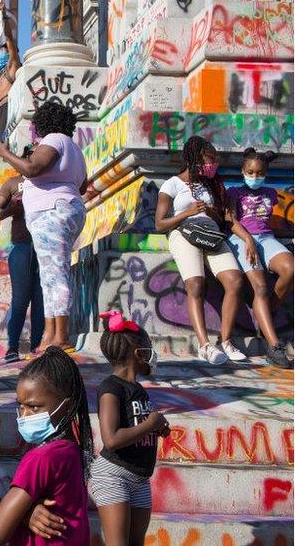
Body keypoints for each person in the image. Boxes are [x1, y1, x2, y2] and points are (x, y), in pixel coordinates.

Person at [0, 102, 87, 353]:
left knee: (55, 275)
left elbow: (32, 168)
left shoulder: (54, 139)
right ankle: (49, 334)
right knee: (50, 276)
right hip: (64, 209)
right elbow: (82, 186)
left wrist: (5, 154)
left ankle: (60, 336)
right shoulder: (74, 148)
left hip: (52, 213)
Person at [0, 347, 93, 545]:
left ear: (65, 407)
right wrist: (26, 512)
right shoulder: (73, 451)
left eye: (34, 407)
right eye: (20, 406)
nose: (24, 416)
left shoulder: (41, 458)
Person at [154, 136, 244, 366]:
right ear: (194, 158)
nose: (213, 163)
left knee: (234, 281)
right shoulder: (172, 184)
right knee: (196, 285)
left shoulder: (211, 185)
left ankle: (226, 341)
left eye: (215, 159)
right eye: (210, 158)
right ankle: (205, 345)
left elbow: (224, 219)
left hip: (212, 235)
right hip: (183, 234)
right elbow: (160, 224)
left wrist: (214, 213)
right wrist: (188, 212)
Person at [90, 311, 171, 546]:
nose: (152, 353)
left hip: (140, 479)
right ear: (138, 354)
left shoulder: (139, 390)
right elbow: (111, 439)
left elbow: (138, 427)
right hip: (113, 475)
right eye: (149, 347)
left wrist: (156, 429)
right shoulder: (111, 388)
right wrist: (151, 423)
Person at [226, 148, 293, 368]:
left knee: (290, 270)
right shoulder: (234, 192)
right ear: (243, 171)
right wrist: (248, 240)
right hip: (243, 240)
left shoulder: (271, 194)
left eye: (260, 173)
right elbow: (231, 221)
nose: (255, 177)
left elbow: (269, 222)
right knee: (261, 287)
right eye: (251, 172)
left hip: (266, 239)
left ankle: (267, 315)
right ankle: (273, 345)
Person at [0, 146, 45, 362]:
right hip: (22, 247)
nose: (34, 158)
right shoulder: (13, 183)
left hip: (44, 246)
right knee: (20, 299)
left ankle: (37, 347)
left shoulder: (47, 179)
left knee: (41, 300)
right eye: (30, 155)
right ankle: (12, 347)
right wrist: (10, 209)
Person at [0, 0, 21, 141]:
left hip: (8, 107)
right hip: (1, 109)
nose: (0, 53)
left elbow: (9, 38)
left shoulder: (13, 64)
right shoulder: (0, 74)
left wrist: (4, 16)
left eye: (4, 49)